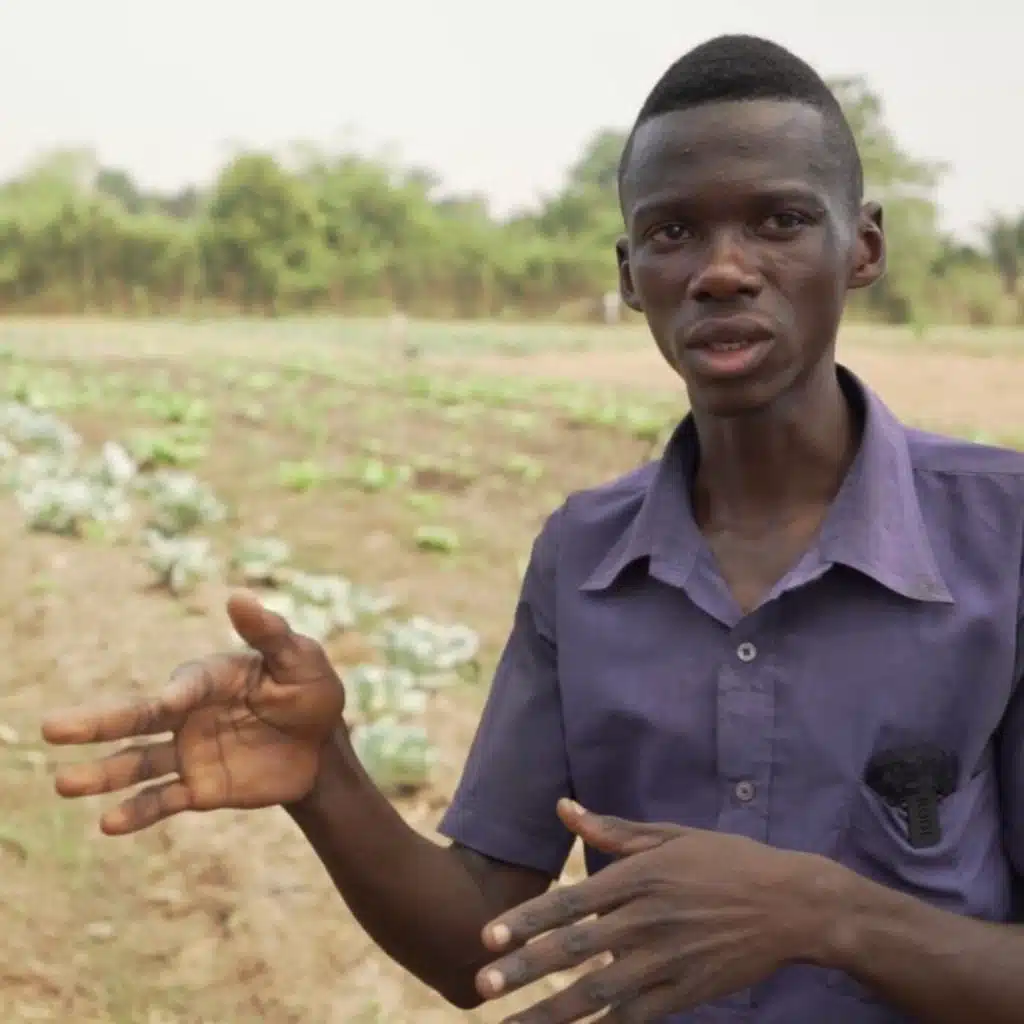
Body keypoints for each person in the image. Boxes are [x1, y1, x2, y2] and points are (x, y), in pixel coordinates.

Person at [40, 34, 1024, 1024]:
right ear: (630, 272)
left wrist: (826, 913)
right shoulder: (584, 556)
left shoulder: (1003, 535)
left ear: (862, 246)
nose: (724, 270)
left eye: (778, 221)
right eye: (673, 232)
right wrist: (324, 776)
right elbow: (477, 937)